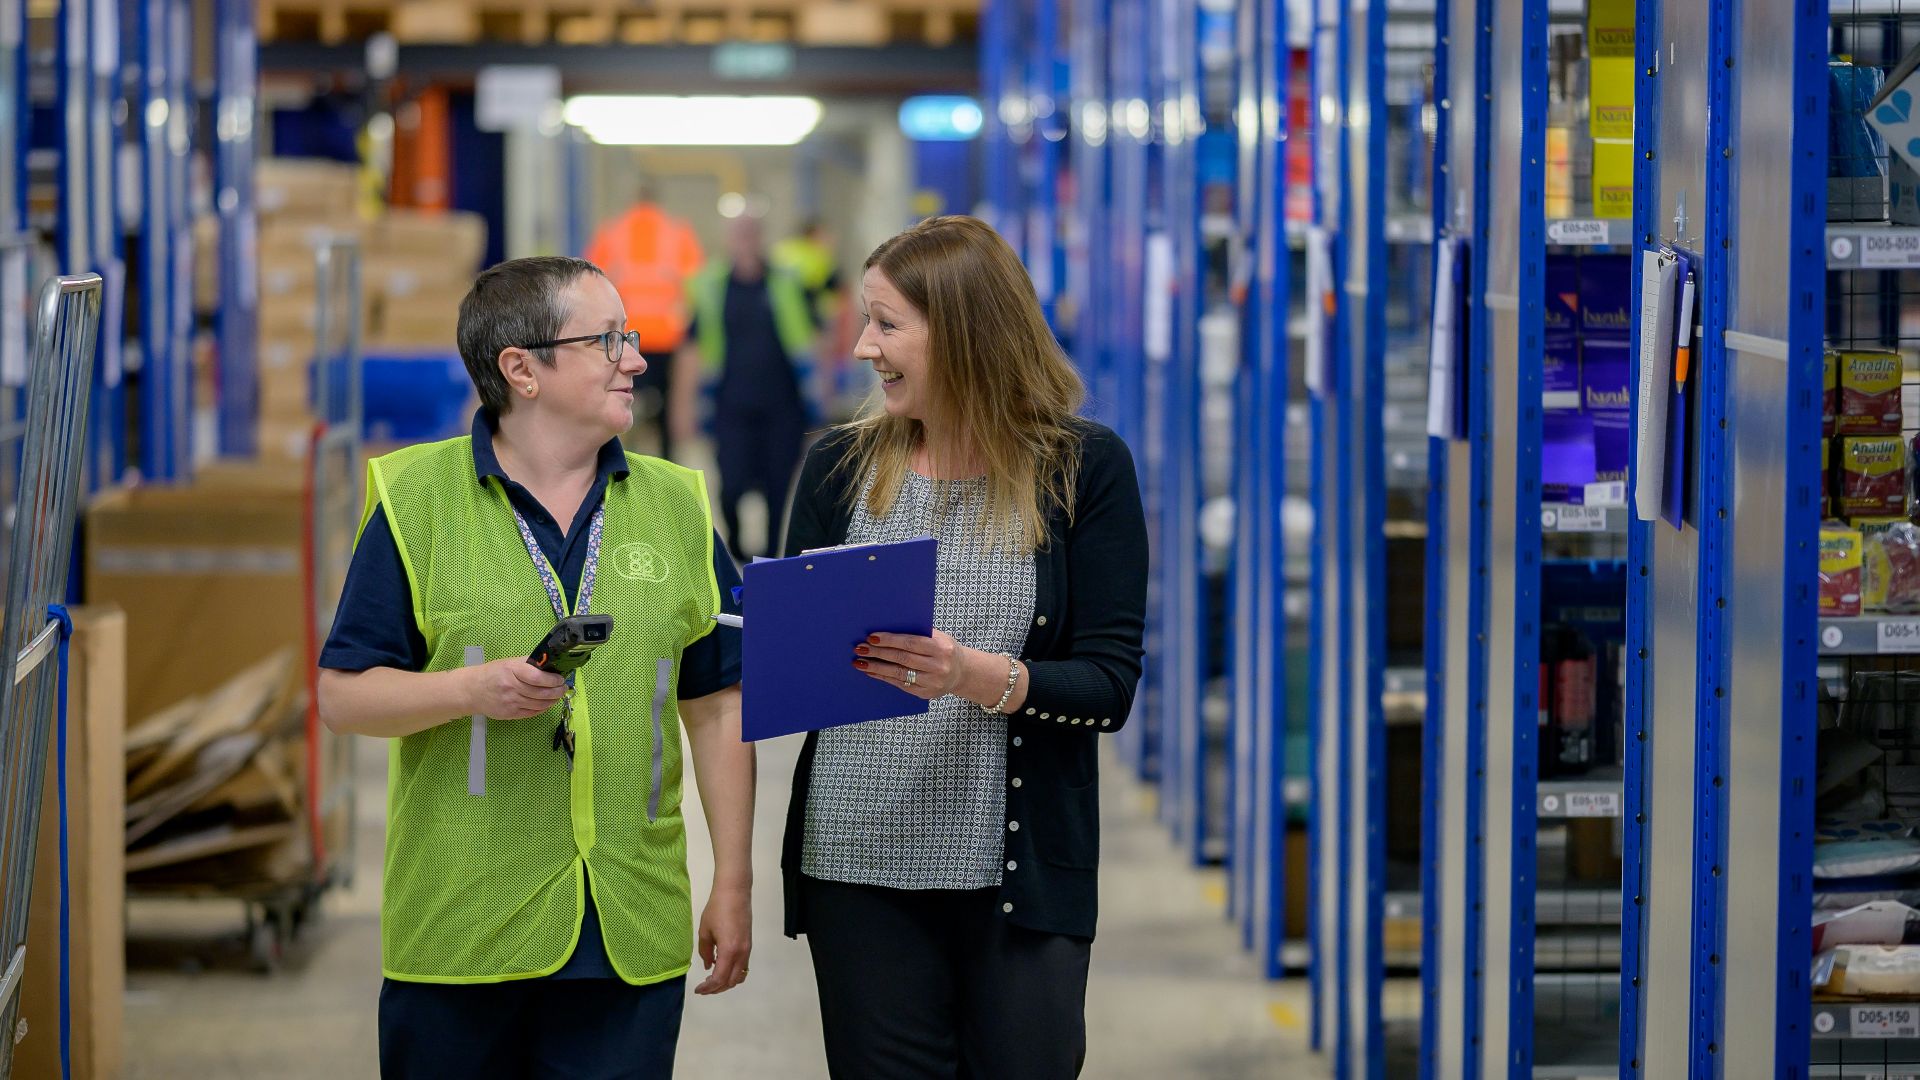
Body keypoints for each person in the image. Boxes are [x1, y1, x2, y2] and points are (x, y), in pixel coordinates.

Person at [316, 256, 755, 1079]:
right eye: (609, 340)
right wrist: (466, 690)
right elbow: (342, 698)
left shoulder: (678, 505)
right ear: (521, 369)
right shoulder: (416, 502)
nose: (637, 358)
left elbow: (716, 702)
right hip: (461, 930)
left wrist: (733, 877)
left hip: (630, 924)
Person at [778, 215, 1149, 1079]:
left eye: (888, 322)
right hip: (857, 864)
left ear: (969, 331)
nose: (866, 346)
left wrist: (974, 676)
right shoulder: (839, 465)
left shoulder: (1083, 469)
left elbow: (1109, 684)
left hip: (1016, 880)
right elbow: (800, 666)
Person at [672, 214, 820, 558]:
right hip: (731, 406)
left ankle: (768, 558)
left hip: (783, 405)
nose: (746, 240)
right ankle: (737, 545)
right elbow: (691, 350)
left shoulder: (786, 282)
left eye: (752, 233)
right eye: (739, 234)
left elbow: (814, 339)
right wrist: (682, 406)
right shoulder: (711, 285)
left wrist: (822, 395)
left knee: (778, 487)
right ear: (729, 239)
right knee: (731, 485)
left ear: (761, 237)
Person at [584, 182, 705, 461]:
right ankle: (664, 462)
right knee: (665, 409)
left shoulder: (611, 231)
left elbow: (590, 282)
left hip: (624, 337)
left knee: (621, 402)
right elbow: (695, 283)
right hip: (668, 335)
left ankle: (621, 461)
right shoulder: (677, 232)